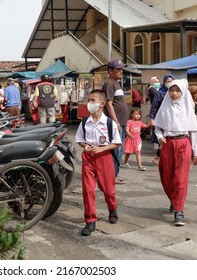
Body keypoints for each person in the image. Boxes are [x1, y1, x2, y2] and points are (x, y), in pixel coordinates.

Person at [75, 89, 122, 236]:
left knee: (108, 190)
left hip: (104, 157)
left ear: (102, 103)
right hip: (88, 157)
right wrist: (85, 146)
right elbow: (80, 140)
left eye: (92, 100)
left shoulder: (109, 123)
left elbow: (117, 143)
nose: (89, 103)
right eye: (88, 100)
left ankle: (112, 208)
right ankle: (90, 221)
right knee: (88, 190)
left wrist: (102, 149)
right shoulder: (84, 122)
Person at [154, 79, 197, 226]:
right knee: (166, 176)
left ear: (183, 92)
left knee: (181, 178)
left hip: (183, 143)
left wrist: (195, 152)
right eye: (172, 90)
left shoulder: (188, 109)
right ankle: (174, 200)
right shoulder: (165, 107)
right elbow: (157, 127)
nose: (174, 94)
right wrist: (160, 137)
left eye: (177, 91)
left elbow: (193, 131)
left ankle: (179, 211)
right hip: (167, 144)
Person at [102, 59, 128, 185]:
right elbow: (108, 103)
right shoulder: (109, 83)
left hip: (121, 123)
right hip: (115, 123)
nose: (120, 71)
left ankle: (114, 174)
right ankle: (111, 175)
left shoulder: (116, 83)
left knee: (119, 150)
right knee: (116, 150)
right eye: (118, 69)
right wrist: (115, 121)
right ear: (110, 71)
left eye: (121, 69)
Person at [148, 74, 174, 165]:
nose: (169, 83)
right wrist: (152, 117)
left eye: (171, 81)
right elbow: (154, 106)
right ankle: (159, 156)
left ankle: (163, 157)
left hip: (173, 120)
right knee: (162, 139)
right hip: (162, 119)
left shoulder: (174, 92)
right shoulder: (160, 93)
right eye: (168, 81)